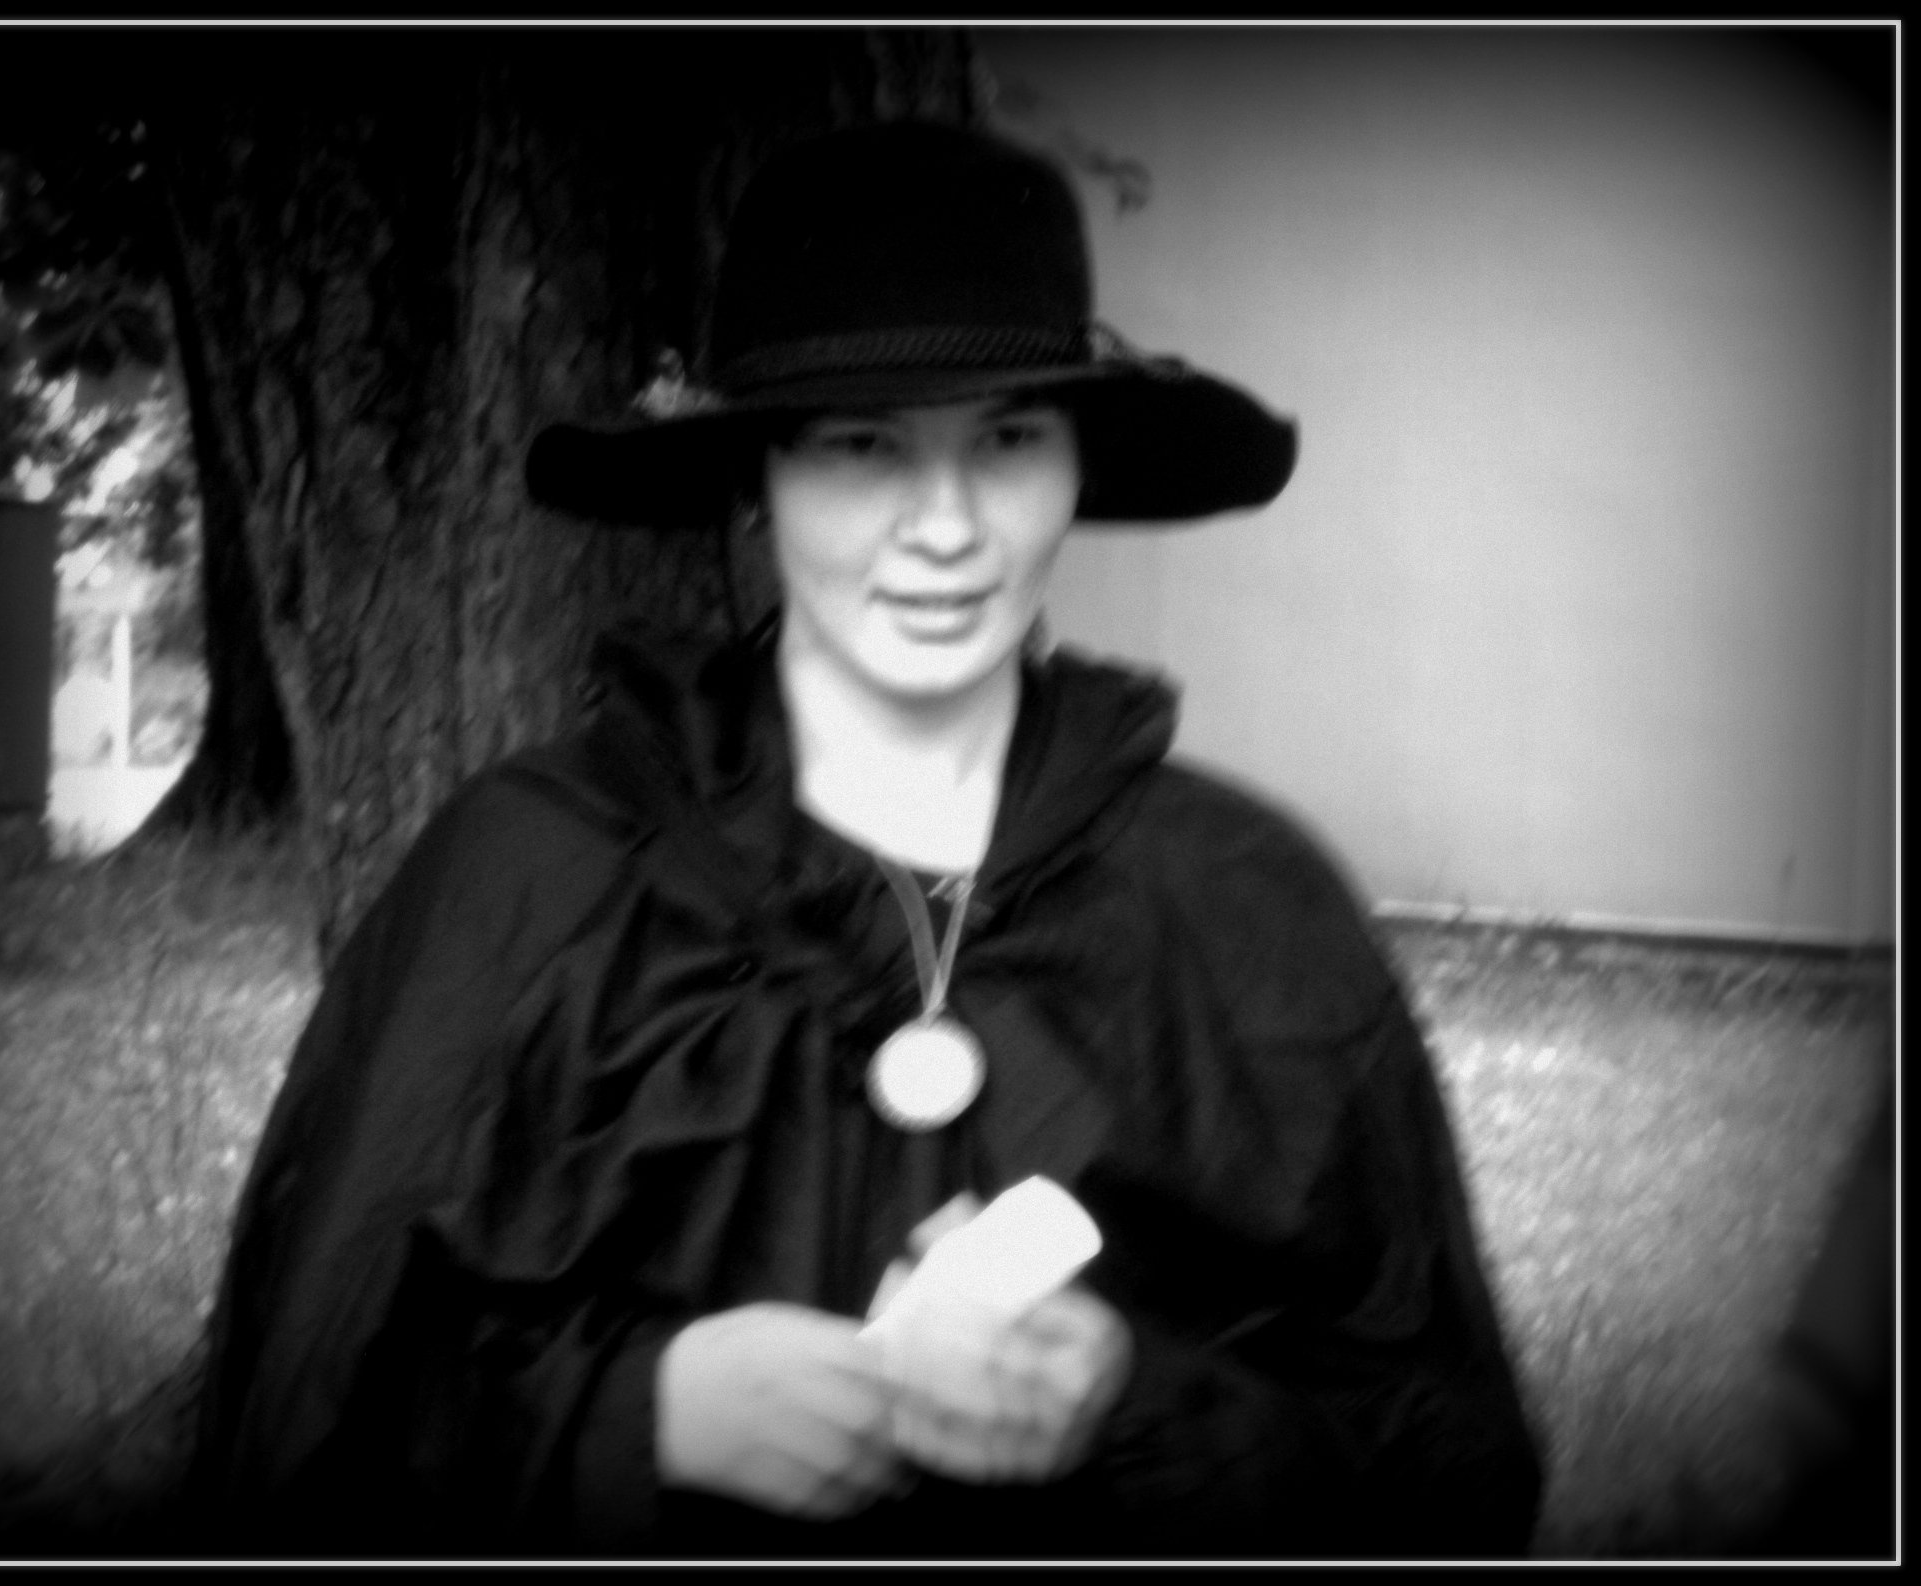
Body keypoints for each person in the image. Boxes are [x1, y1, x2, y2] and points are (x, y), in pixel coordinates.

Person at [187, 120, 1542, 1559]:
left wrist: (1135, 1405)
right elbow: (301, 1413)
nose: (944, 526)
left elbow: (1441, 1467)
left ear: (1075, 463)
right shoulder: (530, 877)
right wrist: (634, 1415)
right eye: (861, 445)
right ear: (758, 477)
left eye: (1007, 439)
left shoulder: (1242, 900)